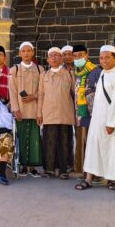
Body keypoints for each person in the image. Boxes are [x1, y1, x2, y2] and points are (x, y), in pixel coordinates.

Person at [77, 45, 115, 191]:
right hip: (96, 119)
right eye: (101, 57)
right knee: (93, 149)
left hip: (108, 120)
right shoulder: (103, 73)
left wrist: (111, 123)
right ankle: (88, 178)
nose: (104, 60)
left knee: (110, 150)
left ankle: (111, 179)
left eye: (107, 57)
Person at [37, 47, 76, 179]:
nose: (54, 57)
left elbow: (75, 94)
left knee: (64, 142)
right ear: (48, 59)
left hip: (65, 113)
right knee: (49, 142)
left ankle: (64, 170)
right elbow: (40, 95)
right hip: (48, 113)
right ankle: (49, 169)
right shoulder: (43, 75)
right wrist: (39, 113)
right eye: (51, 55)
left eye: (57, 55)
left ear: (61, 58)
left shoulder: (69, 73)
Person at [9, 42, 43, 177]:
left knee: (35, 139)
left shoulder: (40, 70)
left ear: (33, 53)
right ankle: (22, 165)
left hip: (35, 110)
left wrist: (34, 97)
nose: (26, 53)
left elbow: (42, 91)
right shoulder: (15, 70)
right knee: (21, 138)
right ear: (20, 53)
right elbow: (12, 91)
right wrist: (15, 109)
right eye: (24, 51)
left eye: (29, 51)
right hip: (21, 111)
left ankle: (33, 167)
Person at [73, 44, 98, 176]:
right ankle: (86, 172)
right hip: (81, 115)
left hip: (92, 114)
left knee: (93, 145)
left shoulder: (95, 71)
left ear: (87, 55)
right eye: (75, 56)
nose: (77, 58)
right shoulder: (77, 73)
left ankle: (95, 174)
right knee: (83, 144)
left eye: (80, 55)